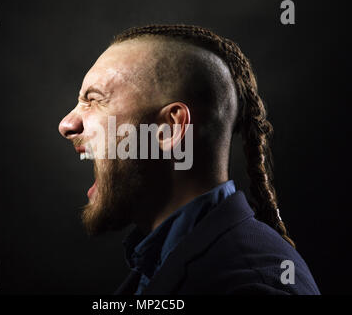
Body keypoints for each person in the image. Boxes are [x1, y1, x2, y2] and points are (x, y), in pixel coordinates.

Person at [58, 24, 320, 295]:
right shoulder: (157, 262)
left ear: (170, 128)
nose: (66, 124)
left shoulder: (250, 285)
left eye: (93, 100)